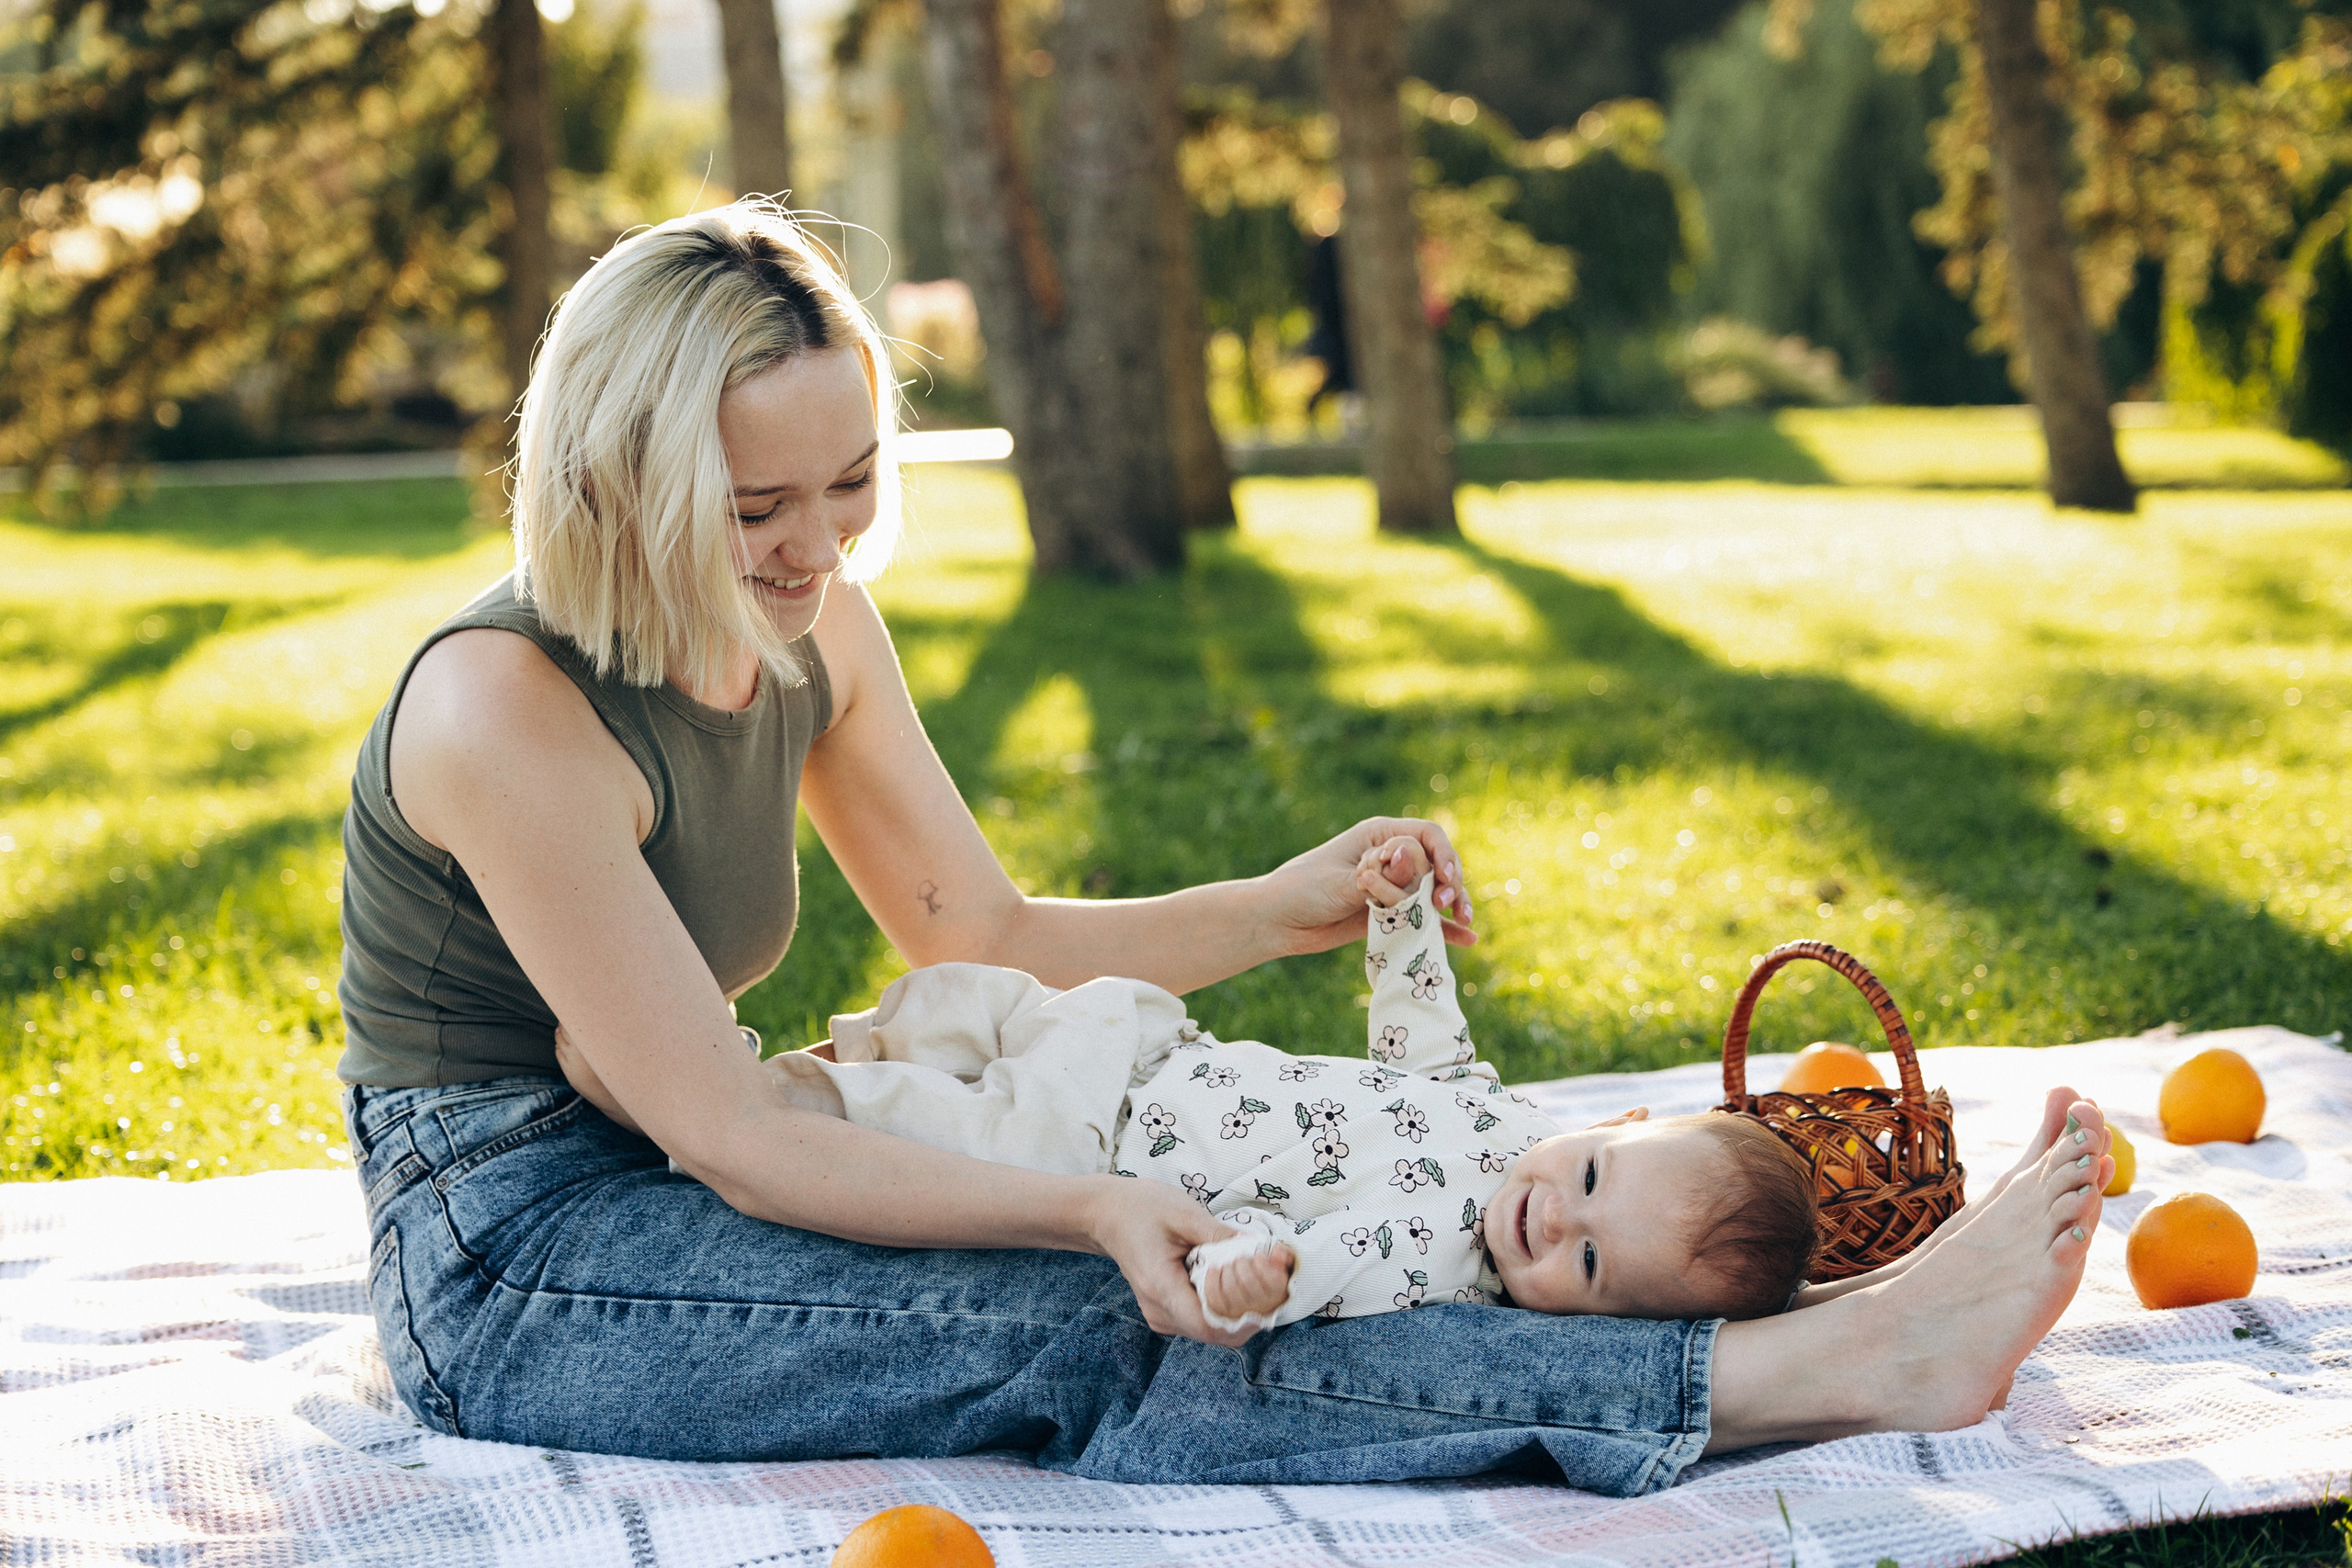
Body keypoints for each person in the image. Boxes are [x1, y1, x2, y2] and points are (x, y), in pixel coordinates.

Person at [337, 199, 2115, 1495]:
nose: (817, 551)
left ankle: (1777, 1352)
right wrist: (1088, 1209)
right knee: (1121, 1317)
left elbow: (987, 934)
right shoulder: (505, 711)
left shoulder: (816, 634)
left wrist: (1285, 911)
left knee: (1221, 1253)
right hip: (510, 1249)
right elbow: (726, 1136)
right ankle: (1804, 1371)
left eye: (853, 482)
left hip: (698, 1155)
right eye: (754, 511)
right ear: (618, 485)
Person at [561, 836, 1815, 1335]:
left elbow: (1300, 1262)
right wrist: (1399, 914)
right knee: (951, 1003)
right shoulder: (1505, 1119)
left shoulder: (1434, 1265)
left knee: (911, 1122)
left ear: (1596, 1322)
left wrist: (1244, 1280)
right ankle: (773, 1065)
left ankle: (692, 1088)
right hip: (1139, 1047)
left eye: (1590, 1265)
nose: (1559, 1219)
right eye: (1594, 1178)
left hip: (1074, 1150)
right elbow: (1422, 1039)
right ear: (1619, 1124)